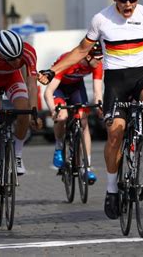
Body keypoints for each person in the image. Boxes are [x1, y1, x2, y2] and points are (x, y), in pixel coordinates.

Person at [38, 0, 143, 220]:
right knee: (115, 134)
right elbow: (81, 50)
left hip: (142, 74)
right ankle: (112, 189)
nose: (128, 4)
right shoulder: (101, 20)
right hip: (116, 81)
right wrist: (52, 70)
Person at [0, 29, 41, 215]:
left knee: (24, 110)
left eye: (17, 58)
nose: (15, 62)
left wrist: (34, 111)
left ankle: (18, 154)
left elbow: (31, 85)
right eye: (10, 59)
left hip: (13, 80)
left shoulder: (28, 51)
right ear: (0, 54)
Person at [43, 43, 104, 184]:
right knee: (62, 116)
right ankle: (59, 147)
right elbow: (48, 92)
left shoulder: (97, 64)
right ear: (88, 56)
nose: (100, 61)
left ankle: (87, 168)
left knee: (83, 122)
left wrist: (100, 107)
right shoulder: (69, 61)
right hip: (59, 87)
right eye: (98, 58)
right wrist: (53, 110)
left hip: (76, 87)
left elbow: (97, 91)